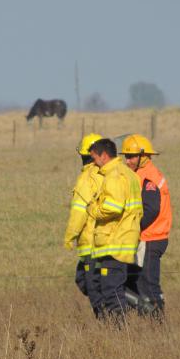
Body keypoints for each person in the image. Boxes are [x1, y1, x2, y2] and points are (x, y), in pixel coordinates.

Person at [86, 138, 142, 324]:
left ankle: (120, 331)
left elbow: (113, 207)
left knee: (111, 289)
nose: (93, 162)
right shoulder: (128, 174)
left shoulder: (114, 176)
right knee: (116, 287)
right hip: (124, 239)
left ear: (103, 155)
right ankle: (121, 329)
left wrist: (92, 209)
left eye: (94, 158)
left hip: (114, 241)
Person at [120, 134, 172, 322]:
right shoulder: (142, 174)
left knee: (149, 283)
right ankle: (150, 320)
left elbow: (150, 210)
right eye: (126, 156)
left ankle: (158, 322)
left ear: (143, 156)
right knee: (139, 282)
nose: (127, 160)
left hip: (151, 238)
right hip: (149, 237)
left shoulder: (148, 178)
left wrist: (134, 228)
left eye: (131, 156)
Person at [62, 133, 105, 318]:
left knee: (93, 287)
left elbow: (78, 212)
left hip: (91, 244)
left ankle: (109, 322)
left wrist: (70, 236)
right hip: (113, 241)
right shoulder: (112, 174)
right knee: (91, 279)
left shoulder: (86, 178)